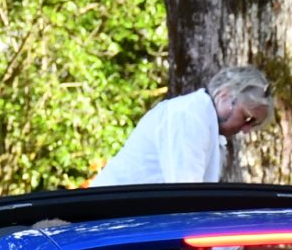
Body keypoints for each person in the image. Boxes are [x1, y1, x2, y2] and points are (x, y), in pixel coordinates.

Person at [93, 65, 275, 187]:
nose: (246, 129)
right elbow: (186, 193)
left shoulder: (203, 120)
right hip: (112, 220)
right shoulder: (189, 116)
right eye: (246, 117)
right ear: (224, 96)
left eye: (253, 124)